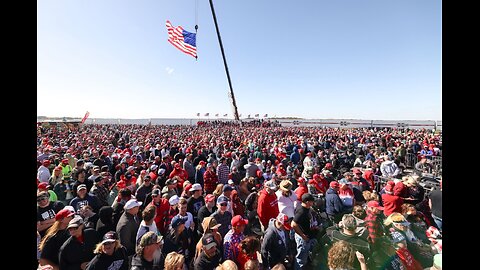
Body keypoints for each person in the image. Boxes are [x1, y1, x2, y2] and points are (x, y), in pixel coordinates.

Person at [292, 193, 319, 270]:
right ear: (307, 202)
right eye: (311, 201)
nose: (313, 203)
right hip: (304, 239)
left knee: (310, 253)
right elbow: (293, 224)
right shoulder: (301, 211)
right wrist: (302, 235)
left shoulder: (307, 209)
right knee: (301, 259)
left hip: (310, 236)